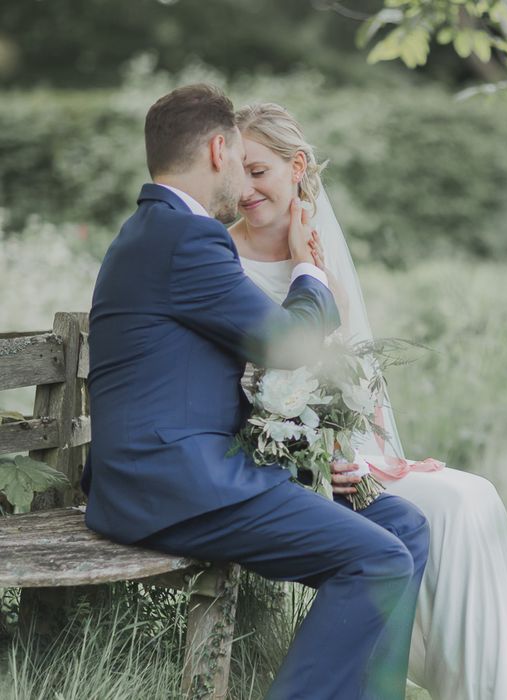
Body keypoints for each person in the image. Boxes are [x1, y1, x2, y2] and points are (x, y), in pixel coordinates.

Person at [82, 84, 429, 700]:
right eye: (242, 161)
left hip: (189, 472)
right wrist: (307, 269)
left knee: (404, 527)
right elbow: (286, 345)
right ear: (220, 149)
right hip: (176, 485)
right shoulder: (183, 238)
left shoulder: (158, 231)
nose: (244, 184)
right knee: (378, 560)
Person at [229, 101, 507, 700]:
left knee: (472, 498)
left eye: (259, 171)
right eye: (237, 174)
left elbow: (347, 380)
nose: (245, 189)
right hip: (270, 470)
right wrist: (308, 461)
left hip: (345, 467)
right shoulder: (222, 260)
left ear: (297, 167)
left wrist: (359, 456)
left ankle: (494, 689)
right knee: (439, 509)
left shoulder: (321, 259)